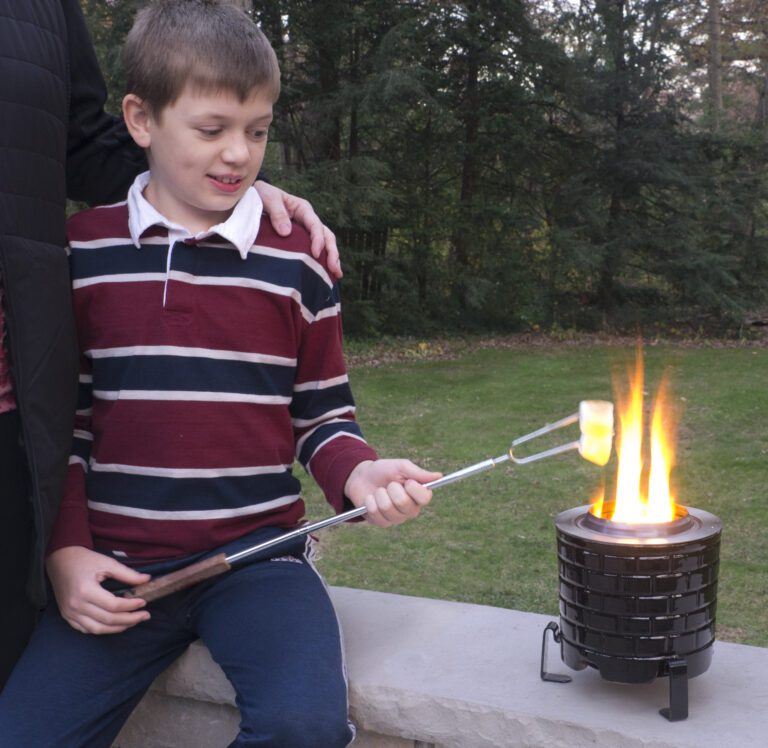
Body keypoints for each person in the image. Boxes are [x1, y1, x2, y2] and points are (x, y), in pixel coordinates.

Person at [0, 1, 440, 745]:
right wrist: (67, 554)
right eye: (212, 130)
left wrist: (358, 476)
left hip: (259, 564)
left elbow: (323, 413)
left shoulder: (298, 258)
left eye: (257, 131)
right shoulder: (80, 255)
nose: (238, 154)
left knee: (304, 726)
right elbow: (62, 426)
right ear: (141, 120)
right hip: (119, 572)